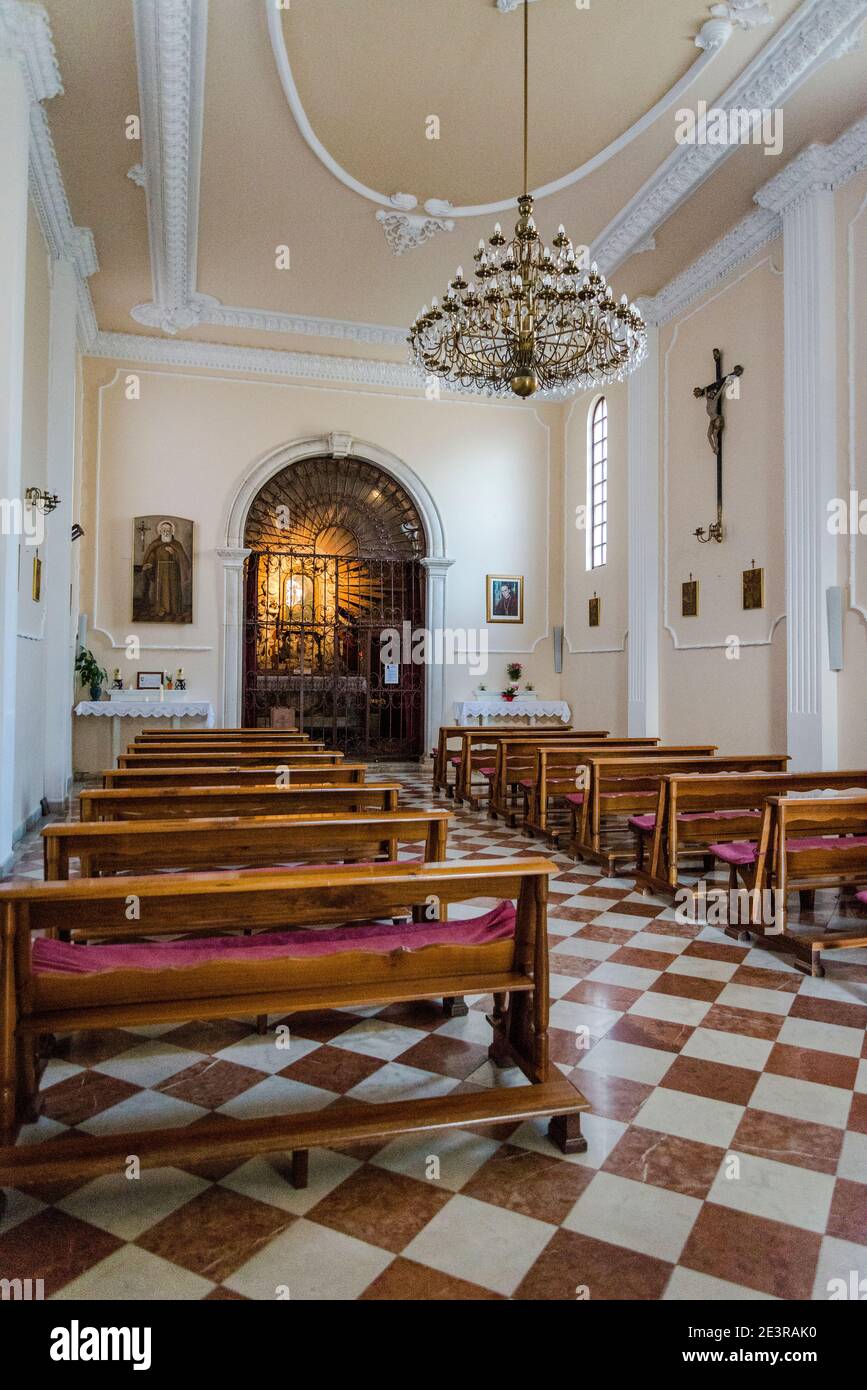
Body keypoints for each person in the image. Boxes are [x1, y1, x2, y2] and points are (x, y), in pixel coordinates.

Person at [140, 519, 191, 621]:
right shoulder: (155, 544)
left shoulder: (177, 544)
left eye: (168, 530)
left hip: (173, 573)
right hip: (160, 572)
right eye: (163, 530)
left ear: (172, 531)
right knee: (161, 590)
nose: (166, 532)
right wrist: (149, 563)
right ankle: (161, 610)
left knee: (173, 590)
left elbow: (183, 560)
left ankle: (174, 610)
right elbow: (151, 556)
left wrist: (174, 553)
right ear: (160, 531)